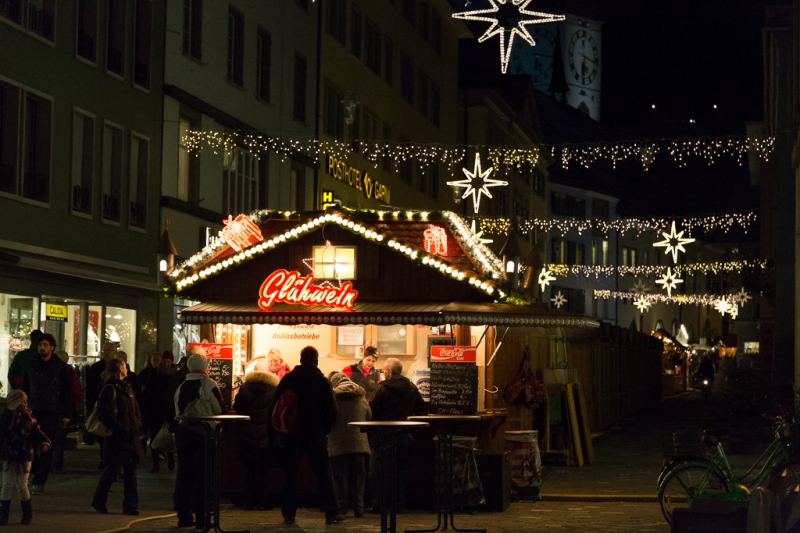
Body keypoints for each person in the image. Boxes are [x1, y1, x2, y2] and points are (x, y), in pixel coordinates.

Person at [272, 346, 343, 525]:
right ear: (316, 361)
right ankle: (331, 514)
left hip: (292, 432)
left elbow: (276, 406)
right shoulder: (322, 382)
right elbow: (332, 411)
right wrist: (323, 429)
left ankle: (288, 514)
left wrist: (277, 432)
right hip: (315, 432)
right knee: (322, 474)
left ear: (301, 359)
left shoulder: (288, 379)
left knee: (290, 474)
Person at [173, 353, 227, 529]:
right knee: (203, 478)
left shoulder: (181, 387)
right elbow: (219, 409)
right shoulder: (209, 385)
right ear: (205, 367)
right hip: (203, 435)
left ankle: (183, 517)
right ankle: (203, 520)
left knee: (184, 477)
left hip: (183, 435)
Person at [368, 358, 428, 513]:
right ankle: (398, 504)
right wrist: (410, 430)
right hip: (401, 435)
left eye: (384, 370)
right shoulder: (411, 388)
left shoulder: (381, 389)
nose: (383, 372)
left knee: (378, 472)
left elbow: (370, 412)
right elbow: (422, 411)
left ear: (390, 371)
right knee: (399, 472)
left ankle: (378, 505)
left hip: (381, 436)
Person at [90, 358, 145, 515]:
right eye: (124, 366)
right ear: (119, 369)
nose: (127, 369)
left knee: (130, 472)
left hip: (130, 436)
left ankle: (130, 506)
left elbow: (135, 410)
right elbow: (103, 413)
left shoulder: (127, 387)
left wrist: (138, 427)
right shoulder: (110, 388)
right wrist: (120, 428)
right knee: (113, 471)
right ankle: (100, 501)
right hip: (117, 437)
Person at [21, 333, 71, 496]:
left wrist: (67, 413)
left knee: (47, 445)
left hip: (51, 411)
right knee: (32, 444)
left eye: (45, 345)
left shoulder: (59, 366)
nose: (42, 348)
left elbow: (66, 391)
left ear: (52, 347)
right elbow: (26, 388)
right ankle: (33, 475)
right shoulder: (31, 365)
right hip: (33, 410)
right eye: (40, 345)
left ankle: (39, 479)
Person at [233, 359, 279, 510]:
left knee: (249, 470)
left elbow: (238, 407)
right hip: (266, 435)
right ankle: (263, 502)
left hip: (247, 435)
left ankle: (247, 501)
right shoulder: (274, 389)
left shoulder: (245, 387)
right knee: (264, 471)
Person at [0, 390, 50, 525]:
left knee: (22, 486)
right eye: (23, 401)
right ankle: (3, 516)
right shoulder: (6, 418)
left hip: (24, 455)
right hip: (10, 456)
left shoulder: (29, 417)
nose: (25, 404)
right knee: (6, 485)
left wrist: (45, 442)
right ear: (16, 403)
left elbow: (37, 431)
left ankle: (27, 514)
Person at [327, 372, 371, 518]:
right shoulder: (361, 397)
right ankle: (359, 509)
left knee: (340, 478)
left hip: (337, 444)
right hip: (359, 444)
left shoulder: (332, 398)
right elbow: (368, 416)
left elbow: (327, 418)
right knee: (358, 478)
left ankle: (342, 510)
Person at [142, 352, 175, 473]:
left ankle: (170, 455)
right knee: (155, 437)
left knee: (169, 435)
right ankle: (156, 462)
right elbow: (147, 393)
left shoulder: (174, 375)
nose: (166, 364)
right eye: (164, 361)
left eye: (168, 362)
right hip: (155, 411)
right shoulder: (154, 373)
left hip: (168, 411)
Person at [86, 343, 118, 469]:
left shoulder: (119, 367)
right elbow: (90, 388)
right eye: (105, 350)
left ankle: (108, 458)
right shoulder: (96, 367)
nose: (106, 352)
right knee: (100, 433)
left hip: (113, 405)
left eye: (109, 350)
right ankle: (103, 457)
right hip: (99, 403)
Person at [52, 351, 80, 474]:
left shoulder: (54, 370)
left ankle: (48, 463)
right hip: (63, 409)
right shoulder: (70, 371)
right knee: (60, 438)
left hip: (53, 408)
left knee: (51, 437)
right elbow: (75, 391)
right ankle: (57, 464)